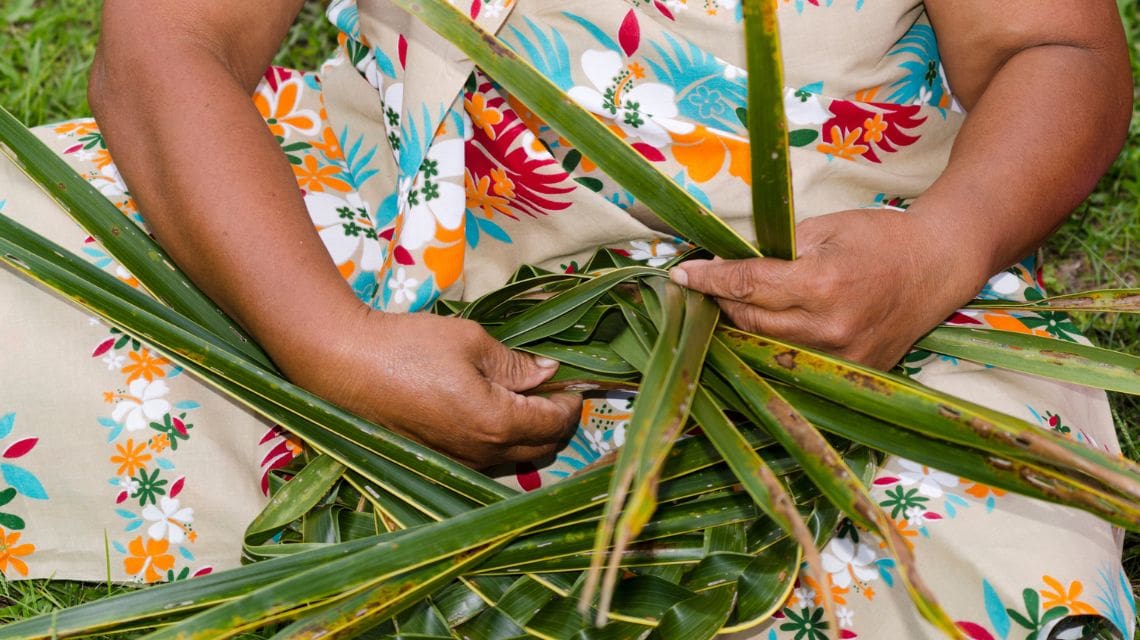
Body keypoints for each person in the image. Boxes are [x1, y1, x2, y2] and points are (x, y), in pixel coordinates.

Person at [0, 0, 1132, 636]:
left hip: (843, 314)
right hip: (392, 249)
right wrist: (327, 342)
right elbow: (166, 46)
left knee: (1006, 576)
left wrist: (941, 247)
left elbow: (1059, 48)